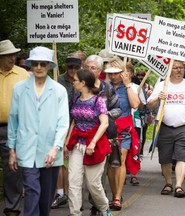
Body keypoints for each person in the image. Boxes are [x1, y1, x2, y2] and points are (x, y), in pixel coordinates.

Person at [7, 46, 70, 216]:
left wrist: (55, 147)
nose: (39, 67)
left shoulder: (59, 90)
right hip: (26, 149)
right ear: (31, 65)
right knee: (32, 190)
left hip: (50, 150)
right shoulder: (19, 88)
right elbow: (13, 119)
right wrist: (12, 150)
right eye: (35, 63)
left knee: (46, 197)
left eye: (43, 63)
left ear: (49, 66)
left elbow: (63, 123)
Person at [147, 60, 185, 198]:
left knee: (182, 156)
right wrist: (158, 97)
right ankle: (168, 183)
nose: (178, 70)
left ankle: (179, 186)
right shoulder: (162, 85)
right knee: (165, 158)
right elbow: (150, 105)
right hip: (164, 127)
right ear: (169, 70)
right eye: (175, 68)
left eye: (181, 68)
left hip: (184, 128)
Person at [65, 69, 112, 216]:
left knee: (92, 184)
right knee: (73, 182)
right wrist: (67, 143)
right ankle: (75, 213)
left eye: (75, 80)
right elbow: (74, 121)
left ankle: (104, 208)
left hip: (95, 145)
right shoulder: (75, 99)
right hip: (77, 145)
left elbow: (104, 123)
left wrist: (92, 143)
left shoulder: (98, 101)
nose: (73, 82)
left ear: (83, 83)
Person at [84, 54, 121, 216]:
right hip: (83, 134)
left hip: (103, 134)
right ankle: (79, 205)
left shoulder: (107, 87)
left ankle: (97, 205)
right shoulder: (80, 86)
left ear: (99, 70)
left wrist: (104, 115)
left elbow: (118, 108)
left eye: (93, 68)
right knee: (84, 174)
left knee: (99, 171)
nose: (89, 70)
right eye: (87, 67)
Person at [105, 56, 141, 211]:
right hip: (108, 127)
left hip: (124, 127)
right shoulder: (104, 87)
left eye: (116, 73)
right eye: (110, 73)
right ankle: (114, 194)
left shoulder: (129, 87)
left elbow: (135, 104)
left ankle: (118, 197)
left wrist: (127, 85)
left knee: (120, 159)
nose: (113, 76)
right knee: (111, 164)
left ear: (122, 72)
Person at [0, 39, 29, 216]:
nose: (12, 58)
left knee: (12, 170)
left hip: (13, 128)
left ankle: (12, 209)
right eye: (8, 55)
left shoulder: (23, 75)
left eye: (14, 54)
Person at [51, 56, 82, 209]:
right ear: (65, 67)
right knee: (60, 158)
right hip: (61, 122)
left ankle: (74, 194)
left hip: (78, 124)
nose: (73, 71)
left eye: (76, 68)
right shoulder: (58, 81)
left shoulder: (82, 80)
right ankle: (61, 193)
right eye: (70, 68)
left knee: (74, 161)